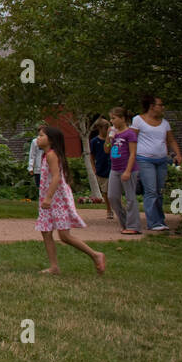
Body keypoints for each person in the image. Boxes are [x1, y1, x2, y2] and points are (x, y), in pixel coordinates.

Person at [36, 125, 105, 275]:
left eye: (41, 135)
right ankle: (54, 267)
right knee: (45, 231)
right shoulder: (47, 154)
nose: (38, 138)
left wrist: (48, 198)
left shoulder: (51, 155)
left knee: (64, 235)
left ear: (51, 140)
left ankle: (95, 254)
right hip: (49, 199)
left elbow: (55, 177)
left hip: (56, 199)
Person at [132, 95, 182, 232]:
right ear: (151, 106)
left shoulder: (165, 123)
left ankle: (160, 220)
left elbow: (171, 140)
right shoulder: (138, 120)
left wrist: (178, 154)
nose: (163, 107)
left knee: (159, 191)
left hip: (161, 160)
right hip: (144, 159)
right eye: (160, 105)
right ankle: (153, 223)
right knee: (151, 191)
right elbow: (132, 139)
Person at [106, 107, 141, 235]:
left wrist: (128, 170)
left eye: (114, 118)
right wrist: (108, 137)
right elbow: (107, 150)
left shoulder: (130, 133)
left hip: (128, 169)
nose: (112, 121)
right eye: (111, 118)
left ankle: (134, 226)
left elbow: (133, 154)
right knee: (112, 196)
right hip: (114, 169)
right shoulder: (114, 134)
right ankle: (124, 222)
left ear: (122, 118)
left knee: (130, 197)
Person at [90, 118, 112, 218]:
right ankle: (109, 209)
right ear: (99, 128)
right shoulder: (94, 141)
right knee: (105, 191)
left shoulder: (112, 139)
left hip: (112, 167)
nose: (107, 129)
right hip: (101, 168)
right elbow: (92, 156)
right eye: (105, 128)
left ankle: (119, 208)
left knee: (115, 190)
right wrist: (93, 167)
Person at [27, 133, 44, 197]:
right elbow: (32, 155)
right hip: (38, 168)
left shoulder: (50, 140)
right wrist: (30, 167)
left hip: (47, 168)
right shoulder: (35, 141)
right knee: (39, 186)